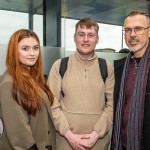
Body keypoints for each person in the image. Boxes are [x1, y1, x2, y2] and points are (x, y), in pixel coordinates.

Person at [47, 18, 114, 150]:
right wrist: (69, 135)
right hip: (65, 144)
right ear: (74, 37)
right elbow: (52, 104)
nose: (85, 39)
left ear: (97, 39)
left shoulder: (107, 67)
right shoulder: (60, 65)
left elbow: (111, 106)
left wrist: (96, 135)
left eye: (91, 35)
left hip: (98, 144)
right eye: (81, 34)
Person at [0, 29, 56, 150]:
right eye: (25, 48)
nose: (32, 53)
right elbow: (19, 132)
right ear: (14, 51)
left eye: (35, 48)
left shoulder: (34, 78)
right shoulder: (8, 83)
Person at [111, 10, 150, 150]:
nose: (132, 34)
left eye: (138, 29)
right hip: (122, 144)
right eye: (128, 30)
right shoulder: (118, 67)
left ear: (149, 32)